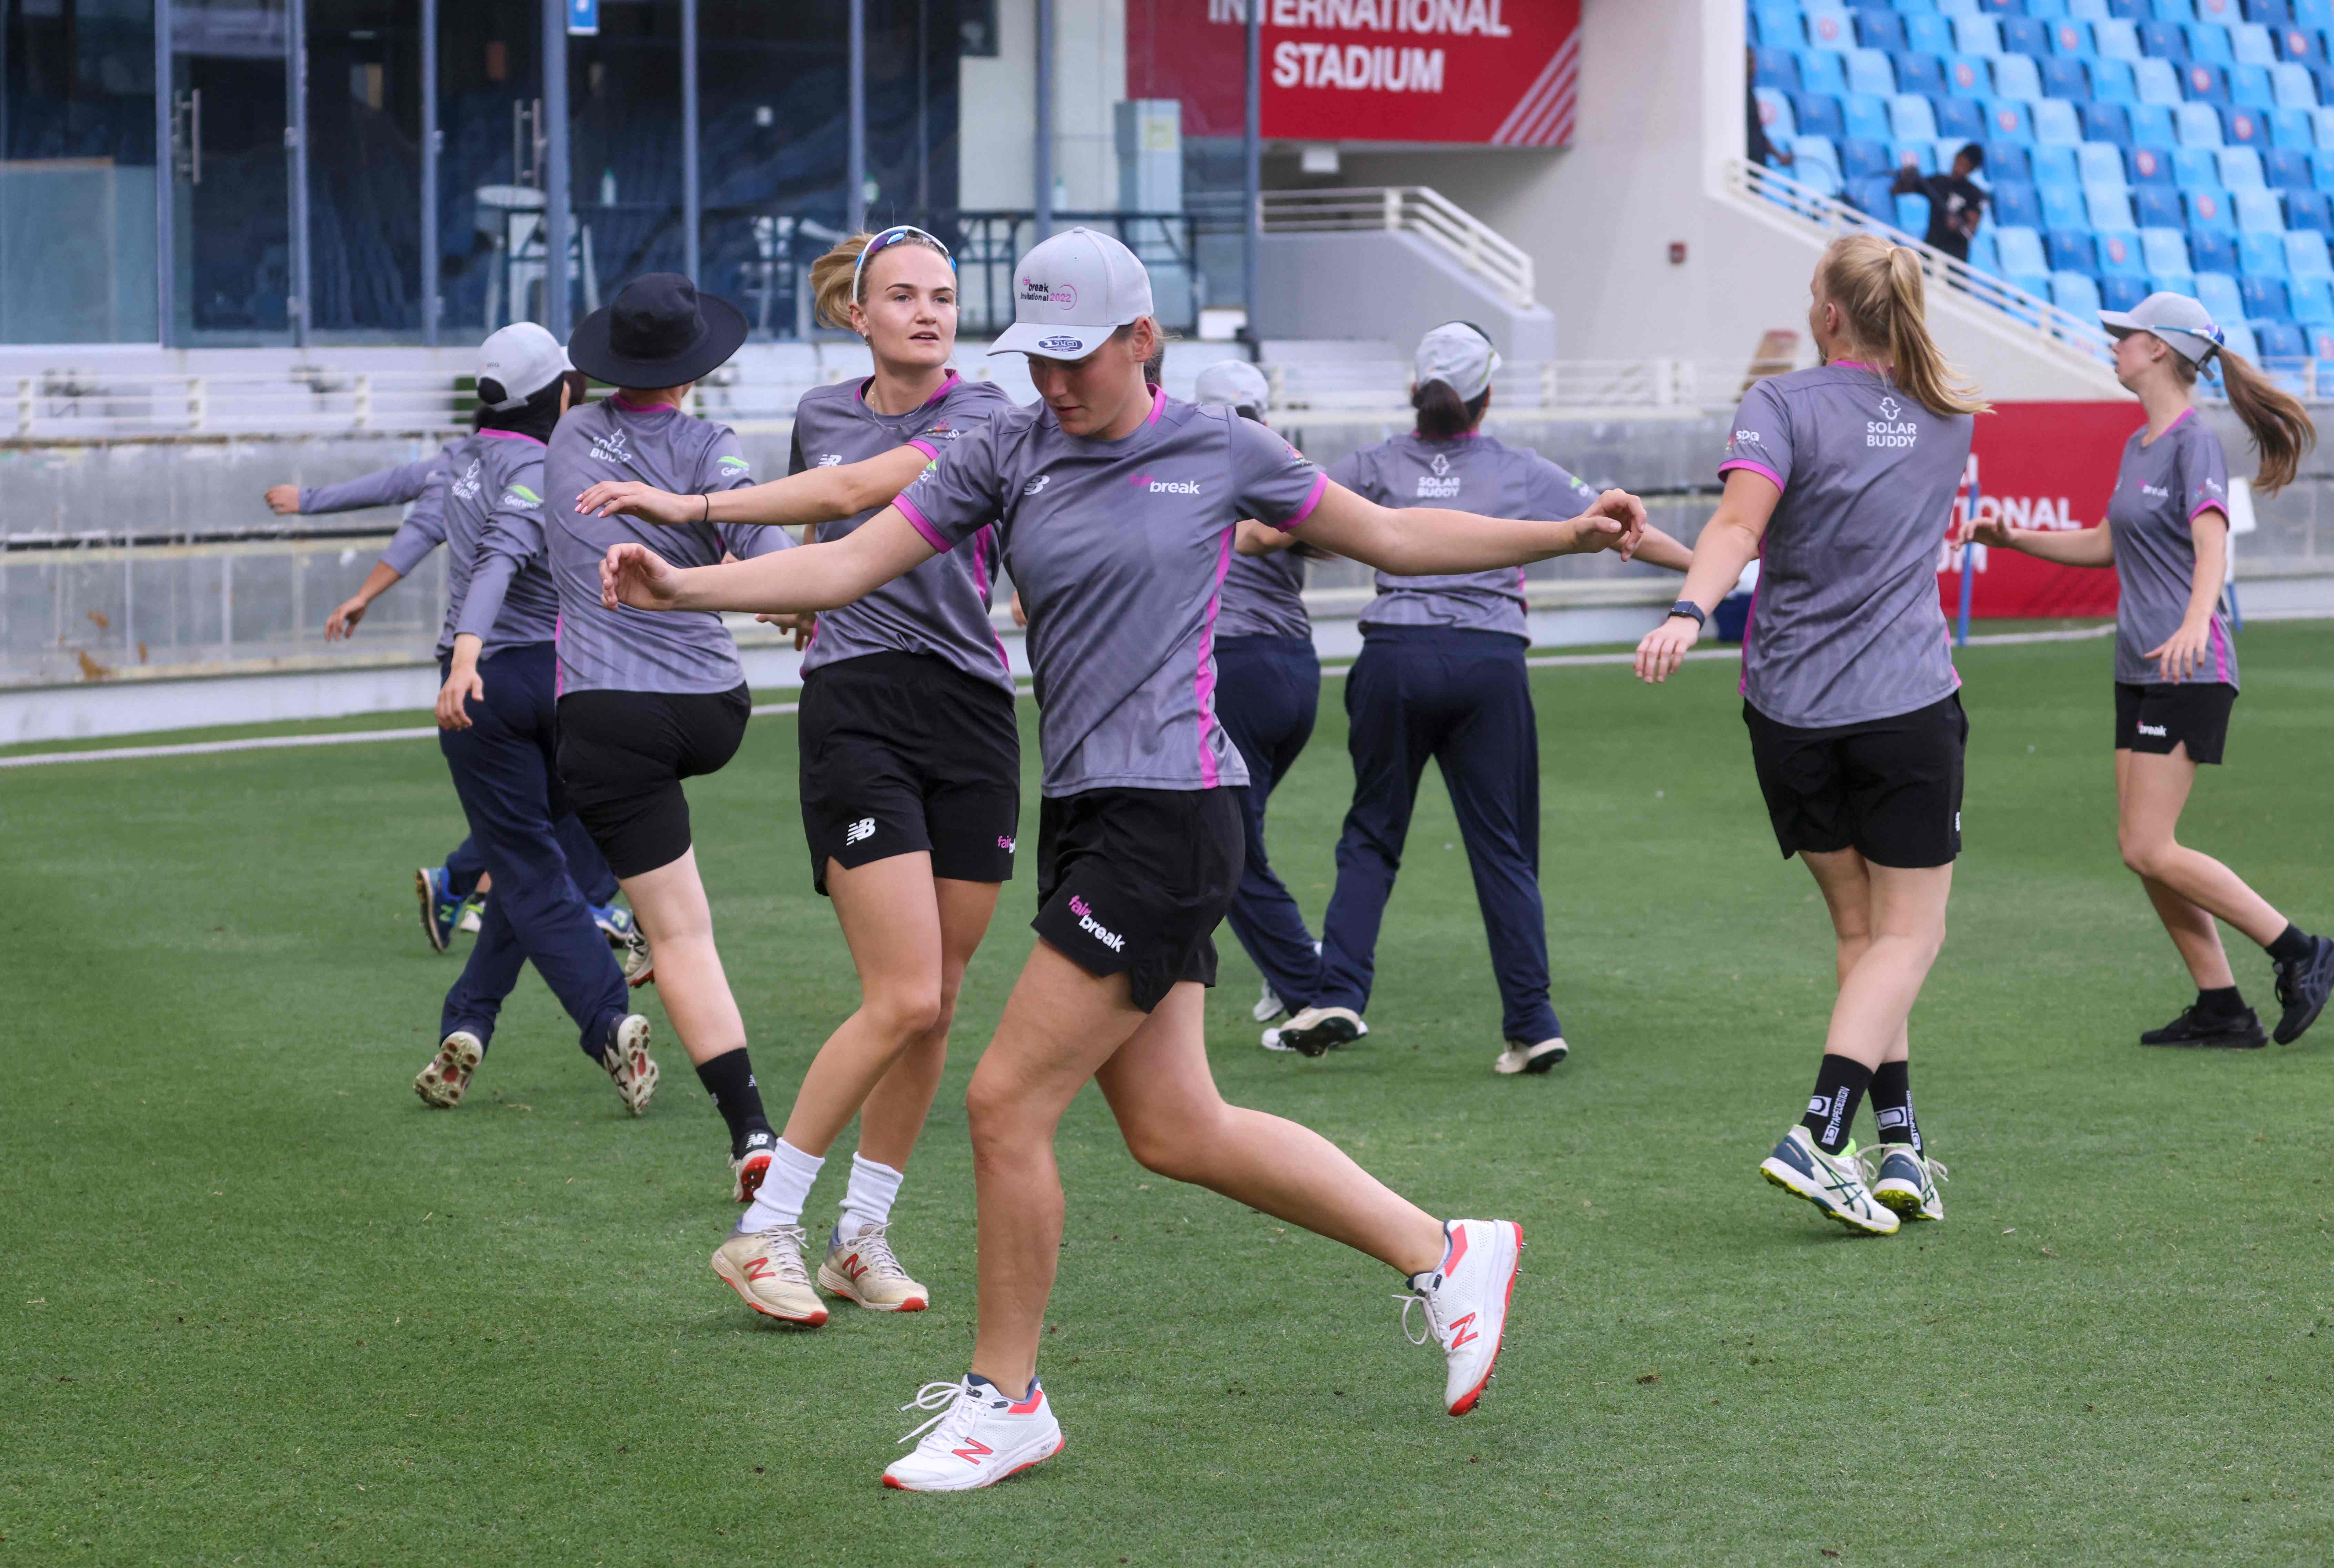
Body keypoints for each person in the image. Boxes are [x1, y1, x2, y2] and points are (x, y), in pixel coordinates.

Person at [598, 227, 1653, 1491]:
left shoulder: (1216, 446)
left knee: (1002, 1102)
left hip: (1174, 808)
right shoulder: (1003, 445)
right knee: (1173, 1124)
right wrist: (683, 584)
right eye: (1036, 358)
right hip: (1090, 812)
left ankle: (1007, 1397)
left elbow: (1392, 535)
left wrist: (1566, 535)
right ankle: (1446, 1249)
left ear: (1140, 339)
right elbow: (850, 555)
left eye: (1077, 358)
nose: (1054, 383)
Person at [572, 227, 1021, 1326]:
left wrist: (695, 512)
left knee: (939, 1002)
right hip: (859, 704)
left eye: (944, 296)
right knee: (904, 991)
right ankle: (763, 1227)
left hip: (973, 708)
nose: (928, 312)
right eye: (903, 296)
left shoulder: (989, 413)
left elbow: (865, 488)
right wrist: (781, 592)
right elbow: (824, 527)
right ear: (857, 315)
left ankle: (859, 1235)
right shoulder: (822, 412)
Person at [1634, 234, 1986, 1237]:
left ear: (1829, 313)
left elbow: (1742, 532)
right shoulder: (1948, 416)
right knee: (1907, 936)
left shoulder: (1779, 405)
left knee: (1863, 937)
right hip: (1906, 706)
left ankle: (1902, 1144)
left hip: (1789, 712)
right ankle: (1821, 1132)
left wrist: (1686, 608)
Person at [1270, 323, 1693, 1074]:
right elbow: (1620, 528)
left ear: (1414, 394)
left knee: (1371, 834)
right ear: (1487, 397)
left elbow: (1286, 521)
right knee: (1502, 849)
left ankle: (1337, 993)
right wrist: (1713, 568)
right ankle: (1532, 1021)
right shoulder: (1520, 469)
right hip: (1489, 664)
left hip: (1394, 660)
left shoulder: (1370, 463)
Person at [1967, 292, 2333, 1049]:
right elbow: (2107, 543)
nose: (2113, 345)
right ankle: (2221, 1008)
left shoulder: (2191, 443)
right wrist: (2015, 540)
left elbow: (2211, 546)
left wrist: (2197, 622)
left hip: (2189, 668)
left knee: (2147, 846)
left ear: (2159, 349)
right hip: (2140, 666)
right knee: (2140, 848)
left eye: (2123, 336)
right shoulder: (2140, 444)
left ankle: (2302, 952)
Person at [547, 273, 795, 1220]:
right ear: (698, 367)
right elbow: (758, 529)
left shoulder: (569, 433)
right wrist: (781, 587)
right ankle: (637, 911)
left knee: (682, 933)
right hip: (710, 709)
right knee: (674, 911)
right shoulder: (708, 445)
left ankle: (753, 1131)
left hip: (608, 715)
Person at [274, 433, 642, 966]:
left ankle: (461, 887)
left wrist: (316, 510)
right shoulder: (543, 465)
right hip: (529, 660)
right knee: (589, 786)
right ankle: (575, 906)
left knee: (536, 806)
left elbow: (405, 508)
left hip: (481, 666)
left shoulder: (459, 462)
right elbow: (429, 526)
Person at [411, 324, 653, 1112]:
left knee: (527, 865)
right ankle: (473, 1017)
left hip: (492, 686)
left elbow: (485, 559)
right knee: (535, 862)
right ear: (560, 393)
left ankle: (605, 1019)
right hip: (567, 680)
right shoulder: (565, 464)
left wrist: (463, 656)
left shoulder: (467, 461)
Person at [1188, 358, 1331, 1029]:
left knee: (1225, 845)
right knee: (1233, 833)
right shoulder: (1286, 468)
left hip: (1235, 671)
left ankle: (1311, 988)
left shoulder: (1195, 472)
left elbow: (1260, 533)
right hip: (1297, 674)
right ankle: (1287, 967)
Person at [1891, 144, 1986, 265]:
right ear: (1956, 157)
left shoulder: (1975, 194)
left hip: (1954, 262)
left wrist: (1958, 227)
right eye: (1960, 163)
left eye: (1967, 167)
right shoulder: (1938, 181)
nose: (1960, 169)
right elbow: (1898, 190)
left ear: (1973, 170)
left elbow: (1971, 230)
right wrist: (1906, 176)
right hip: (1929, 252)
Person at [1746, 47, 1793, 173]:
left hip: (1757, 162)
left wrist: (1778, 156)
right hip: (1745, 163)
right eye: (1749, 62)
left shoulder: (1750, 93)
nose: (1753, 67)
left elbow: (1758, 132)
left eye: (1754, 62)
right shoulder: (1737, 97)